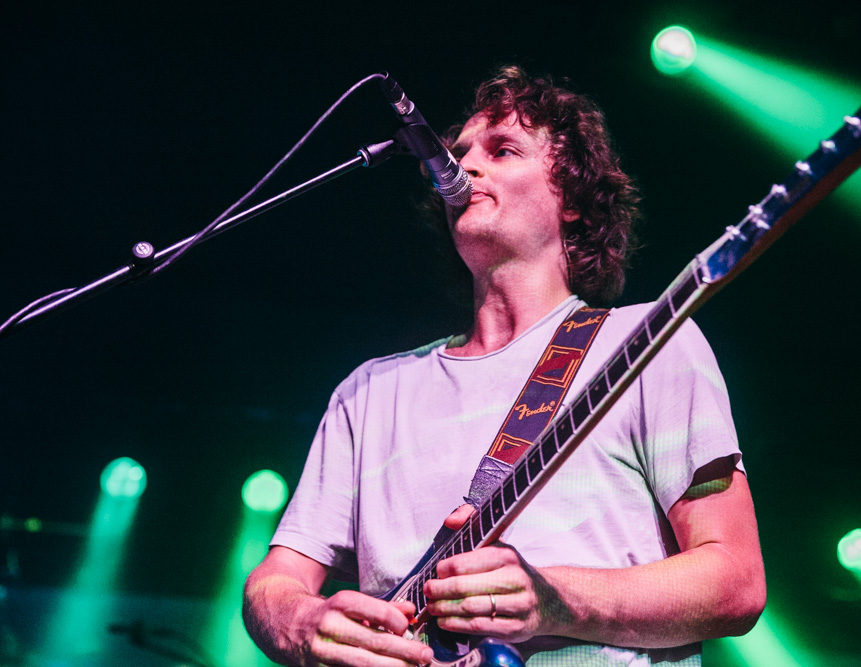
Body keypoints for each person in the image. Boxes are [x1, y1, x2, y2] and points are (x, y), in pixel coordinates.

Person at [243, 65, 765, 667]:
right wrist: (302, 620)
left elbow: (736, 580)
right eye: (458, 151)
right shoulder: (370, 390)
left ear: (571, 199)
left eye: (503, 149)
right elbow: (275, 580)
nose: (463, 166)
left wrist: (556, 601)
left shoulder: (649, 342)